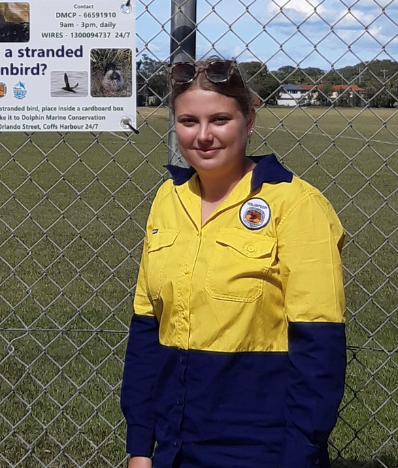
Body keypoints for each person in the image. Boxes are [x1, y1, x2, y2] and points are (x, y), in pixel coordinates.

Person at [121, 58, 347, 468]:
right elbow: (146, 332)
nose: (203, 136)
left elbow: (321, 349)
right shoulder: (167, 201)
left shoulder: (296, 205)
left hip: (264, 448)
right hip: (175, 447)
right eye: (189, 121)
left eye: (220, 119)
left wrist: (299, 455)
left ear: (249, 119)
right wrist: (140, 446)